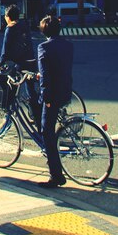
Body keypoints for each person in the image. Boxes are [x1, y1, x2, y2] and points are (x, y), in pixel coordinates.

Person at [37, 14, 74, 188]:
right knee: (53, 126)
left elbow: (45, 76)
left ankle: (56, 175)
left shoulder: (44, 47)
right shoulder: (68, 45)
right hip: (66, 92)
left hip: (53, 95)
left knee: (46, 131)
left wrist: (47, 98)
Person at [0, 4, 40, 125]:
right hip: (31, 60)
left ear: (8, 17)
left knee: (12, 88)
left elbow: (5, 49)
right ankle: (36, 116)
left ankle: (7, 117)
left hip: (21, 63)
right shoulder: (24, 25)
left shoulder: (10, 28)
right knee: (31, 90)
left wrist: (1, 63)